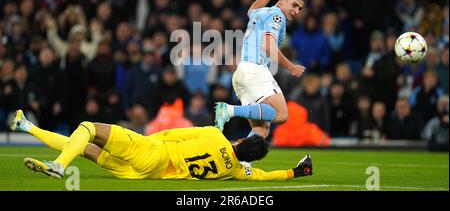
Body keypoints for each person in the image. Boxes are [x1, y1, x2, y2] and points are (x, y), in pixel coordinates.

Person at [10, 110, 312, 181]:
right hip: (147, 174)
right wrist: (297, 173)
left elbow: (172, 134)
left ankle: (60, 166)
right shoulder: (235, 170)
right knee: (86, 147)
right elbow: (263, 177)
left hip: (151, 152)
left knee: (87, 129)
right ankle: (27, 126)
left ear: (242, 140)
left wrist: (141, 143)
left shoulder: (213, 134)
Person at [214, 0, 306, 140]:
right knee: (281, 114)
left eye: (299, 8)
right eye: (293, 5)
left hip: (242, 73)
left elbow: (252, 9)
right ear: (282, 1)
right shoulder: (277, 16)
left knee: (261, 130)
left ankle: (242, 162)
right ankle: (229, 110)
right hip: (255, 70)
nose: (296, 11)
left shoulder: (261, 13)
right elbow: (268, 46)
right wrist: (291, 67)